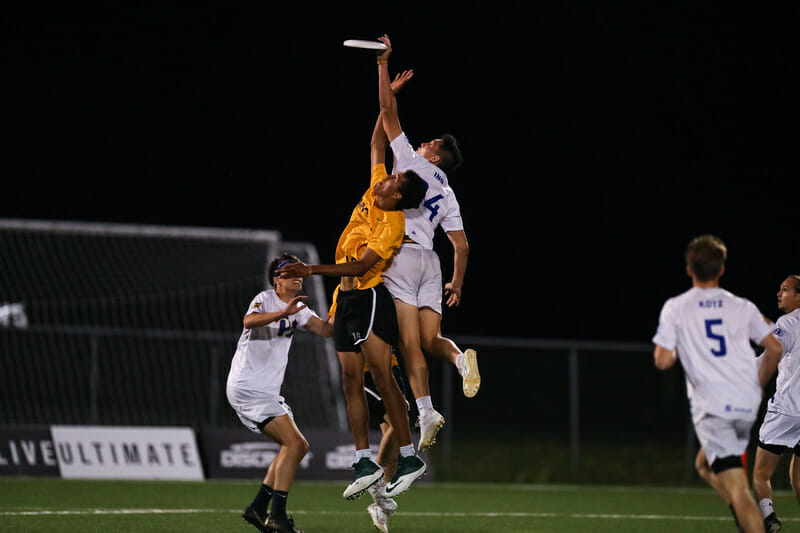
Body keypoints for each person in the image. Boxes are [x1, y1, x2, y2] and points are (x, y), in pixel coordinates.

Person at [277, 108, 428, 501]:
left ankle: (409, 456)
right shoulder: (376, 189)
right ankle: (363, 459)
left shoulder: (393, 225)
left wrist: (309, 270)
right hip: (344, 300)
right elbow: (377, 142)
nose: (386, 176)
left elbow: (362, 266)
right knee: (349, 379)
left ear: (397, 197)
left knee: (380, 375)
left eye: (394, 179)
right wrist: (387, 97)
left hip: (367, 298)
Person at [374, 34, 480, 451]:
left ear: (433, 156)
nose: (423, 143)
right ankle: (459, 359)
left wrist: (383, 68)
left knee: (409, 342)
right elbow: (463, 245)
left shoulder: (413, 165)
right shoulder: (449, 192)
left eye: (430, 143)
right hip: (432, 263)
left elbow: (386, 114)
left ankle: (426, 411)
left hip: (402, 256)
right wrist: (458, 283)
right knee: (432, 339)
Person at [652, 234, 783, 533]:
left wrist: (675, 349)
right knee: (703, 465)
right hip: (743, 404)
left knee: (739, 489)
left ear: (689, 268)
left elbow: (662, 361)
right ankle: (740, 511)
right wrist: (758, 384)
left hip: (714, 407)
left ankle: (746, 515)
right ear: (721, 269)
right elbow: (774, 347)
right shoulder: (741, 306)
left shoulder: (677, 307)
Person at [227, 253, 334, 533]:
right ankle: (277, 517)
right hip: (248, 386)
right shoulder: (266, 299)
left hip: (263, 391)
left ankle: (258, 508)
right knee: (296, 445)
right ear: (277, 279)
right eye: (289, 271)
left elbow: (326, 330)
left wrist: (339, 302)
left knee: (295, 447)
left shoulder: (298, 309)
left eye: (299, 270)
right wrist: (283, 313)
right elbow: (249, 321)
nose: (298, 275)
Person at [752, 274, 800, 533]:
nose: (779, 294)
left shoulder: (790, 321)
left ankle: (769, 517)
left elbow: (774, 348)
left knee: (760, 474)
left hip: (787, 410)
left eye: (785, 290)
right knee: (798, 477)